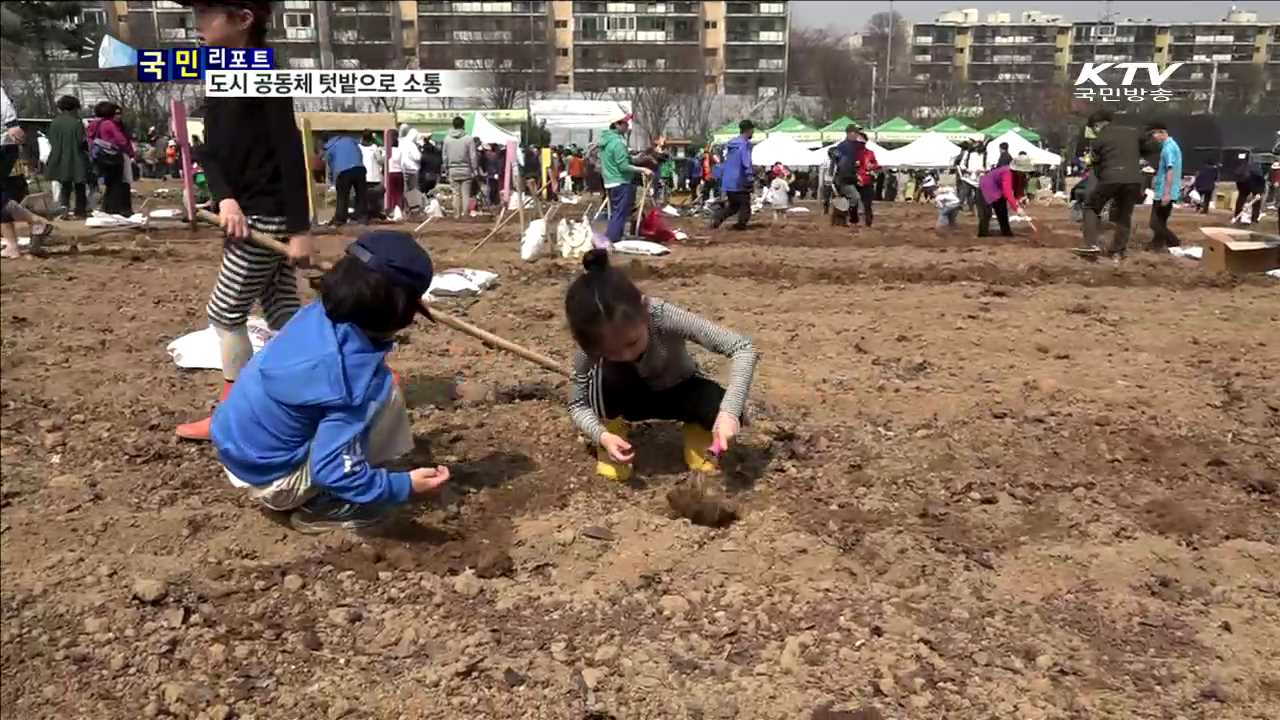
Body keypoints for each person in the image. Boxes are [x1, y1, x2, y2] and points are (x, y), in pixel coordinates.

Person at [211, 230, 450, 533]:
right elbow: (332, 470)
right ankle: (323, 506)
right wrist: (403, 486)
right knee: (380, 397)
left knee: (377, 392)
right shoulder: (350, 381)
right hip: (272, 479)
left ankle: (353, 470)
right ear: (396, 311)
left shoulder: (317, 315)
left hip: (238, 447)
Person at [175, 0, 311, 441]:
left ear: (244, 20)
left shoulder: (266, 77)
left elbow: (291, 155)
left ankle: (236, 416)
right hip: (242, 212)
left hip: (266, 217)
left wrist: (301, 229)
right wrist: (225, 198)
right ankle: (357, 379)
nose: (196, 25)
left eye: (206, 14)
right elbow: (209, 151)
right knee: (285, 314)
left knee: (225, 312)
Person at [565, 249, 758, 483]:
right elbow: (577, 404)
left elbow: (742, 347)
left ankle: (700, 438)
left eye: (632, 342)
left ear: (645, 311)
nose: (626, 355)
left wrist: (729, 412)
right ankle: (614, 436)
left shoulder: (663, 315)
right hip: (625, 398)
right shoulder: (589, 348)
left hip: (677, 389)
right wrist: (601, 435)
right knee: (601, 383)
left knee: (714, 400)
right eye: (611, 351)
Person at [1079, 109, 1143, 258]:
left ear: (1096, 126)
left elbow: (1096, 162)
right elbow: (1147, 147)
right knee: (1124, 215)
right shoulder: (1133, 132)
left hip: (1110, 177)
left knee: (1091, 207)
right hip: (1133, 180)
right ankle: (1118, 251)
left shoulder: (1099, 138)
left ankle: (1091, 245)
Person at [599, 113, 652, 244]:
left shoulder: (606, 142)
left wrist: (635, 159)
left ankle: (615, 236)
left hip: (610, 181)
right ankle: (612, 239)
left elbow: (619, 161)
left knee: (617, 213)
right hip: (620, 181)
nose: (627, 126)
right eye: (625, 123)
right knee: (619, 214)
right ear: (617, 124)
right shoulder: (618, 143)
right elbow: (623, 166)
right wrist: (643, 169)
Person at [46, 95, 91, 219]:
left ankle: (64, 210)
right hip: (76, 157)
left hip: (58, 157)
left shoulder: (54, 122)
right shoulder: (77, 122)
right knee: (80, 186)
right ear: (74, 108)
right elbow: (81, 141)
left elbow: (51, 139)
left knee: (65, 185)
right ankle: (80, 212)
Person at [86, 101, 134, 216]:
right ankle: (118, 209)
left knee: (110, 184)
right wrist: (130, 152)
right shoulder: (109, 124)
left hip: (102, 157)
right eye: (116, 112)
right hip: (114, 156)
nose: (118, 115)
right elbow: (121, 140)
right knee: (118, 183)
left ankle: (108, 207)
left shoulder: (96, 124)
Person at [829, 125, 878, 228]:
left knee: (848, 199)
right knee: (853, 197)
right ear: (850, 133)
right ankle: (850, 219)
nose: (857, 136)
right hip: (844, 178)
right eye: (855, 133)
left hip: (850, 178)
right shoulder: (845, 147)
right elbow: (839, 161)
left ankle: (842, 220)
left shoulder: (853, 146)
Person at [710, 120, 754, 231]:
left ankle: (717, 218)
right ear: (748, 130)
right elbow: (746, 162)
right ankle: (741, 226)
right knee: (745, 205)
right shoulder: (744, 145)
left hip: (728, 181)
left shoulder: (730, 144)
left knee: (734, 206)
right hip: (739, 180)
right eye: (752, 130)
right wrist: (750, 177)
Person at [1147, 121, 1182, 250]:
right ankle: (1156, 244)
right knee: (1161, 220)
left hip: (1164, 191)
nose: (1153, 137)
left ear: (1162, 132)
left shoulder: (1168, 149)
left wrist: (1166, 193)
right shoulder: (1171, 146)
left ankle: (1174, 241)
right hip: (1166, 190)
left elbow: (1170, 170)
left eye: (1154, 133)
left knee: (1154, 223)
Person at [978, 155, 1029, 237]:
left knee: (1002, 211)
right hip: (986, 186)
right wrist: (1017, 208)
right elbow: (1007, 192)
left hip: (998, 189)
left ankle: (1006, 232)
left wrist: (1020, 199)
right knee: (986, 213)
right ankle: (983, 234)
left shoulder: (1021, 176)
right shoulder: (1007, 172)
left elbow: (1018, 189)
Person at [323, 133, 367, 226]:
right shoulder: (351, 141)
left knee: (342, 196)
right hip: (359, 168)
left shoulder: (330, 147)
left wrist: (334, 182)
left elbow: (331, 166)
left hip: (344, 171)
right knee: (361, 194)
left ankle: (340, 219)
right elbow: (360, 154)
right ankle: (361, 217)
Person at [440, 116, 476, 219]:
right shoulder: (469, 138)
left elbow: (444, 156)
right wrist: (474, 168)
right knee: (465, 194)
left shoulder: (447, 139)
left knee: (456, 193)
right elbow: (473, 156)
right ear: (463, 125)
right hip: (466, 169)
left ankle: (456, 214)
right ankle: (465, 214)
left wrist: (446, 168)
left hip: (452, 169)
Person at [396, 123, 422, 214]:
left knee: (404, 190)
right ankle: (414, 209)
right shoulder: (411, 145)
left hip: (402, 169)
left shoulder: (400, 142)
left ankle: (404, 208)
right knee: (413, 190)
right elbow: (417, 157)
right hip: (412, 169)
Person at [359, 133, 385, 220]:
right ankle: (373, 213)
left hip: (364, 175)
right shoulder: (374, 148)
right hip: (374, 176)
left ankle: (367, 213)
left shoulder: (359, 147)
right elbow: (380, 160)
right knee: (375, 197)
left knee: (366, 196)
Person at [1233, 161, 1267, 225]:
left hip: (1251, 183)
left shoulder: (1255, 173)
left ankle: (1253, 218)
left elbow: (1262, 182)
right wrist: (1259, 192)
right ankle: (1241, 216)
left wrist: (1259, 193)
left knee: (1253, 200)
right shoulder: (1241, 175)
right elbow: (1239, 185)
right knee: (1243, 199)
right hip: (1246, 183)